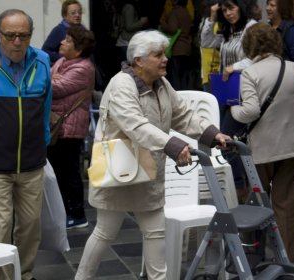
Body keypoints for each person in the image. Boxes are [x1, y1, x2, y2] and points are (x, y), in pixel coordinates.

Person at [74, 30, 230, 280]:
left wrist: (212, 134)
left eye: (164, 53)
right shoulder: (120, 85)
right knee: (105, 232)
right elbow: (136, 126)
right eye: (158, 55)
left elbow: (183, 114)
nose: (165, 59)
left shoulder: (161, 84)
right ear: (138, 61)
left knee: (156, 231)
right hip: (119, 170)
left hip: (148, 171)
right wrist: (174, 145)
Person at [230, 22, 294, 261]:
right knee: (286, 204)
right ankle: (287, 258)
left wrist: (234, 109)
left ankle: (254, 254)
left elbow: (249, 112)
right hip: (291, 147)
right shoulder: (291, 67)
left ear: (249, 46)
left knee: (258, 200)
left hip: (262, 149)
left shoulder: (250, 73)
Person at [0, 9, 52, 280]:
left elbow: (46, 107)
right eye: (10, 35)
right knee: (0, 226)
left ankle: (23, 274)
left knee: (30, 225)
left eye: (24, 36)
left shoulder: (42, 61)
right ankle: (2, 277)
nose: (17, 41)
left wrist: (44, 142)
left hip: (31, 162)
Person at [201, 0, 257, 201]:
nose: (228, 13)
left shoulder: (251, 27)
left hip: (244, 89)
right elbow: (206, 42)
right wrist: (212, 17)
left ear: (241, 7)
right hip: (227, 90)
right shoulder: (228, 30)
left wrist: (235, 66)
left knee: (226, 137)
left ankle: (242, 184)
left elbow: (259, 56)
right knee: (224, 138)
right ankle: (242, 182)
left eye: (231, 8)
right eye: (224, 10)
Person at [47, 26, 96, 229]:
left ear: (78, 48)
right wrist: (51, 77)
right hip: (59, 125)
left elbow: (55, 89)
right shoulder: (62, 61)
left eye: (67, 40)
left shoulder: (83, 68)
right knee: (59, 170)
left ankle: (77, 214)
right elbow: (51, 78)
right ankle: (65, 211)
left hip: (70, 127)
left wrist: (50, 79)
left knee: (69, 172)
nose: (62, 43)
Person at [266, 0, 294, 74]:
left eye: (272, 5)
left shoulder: (292, 30)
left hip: (289, 77)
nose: (267, 8)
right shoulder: (267, 28)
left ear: (281, 8)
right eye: (267, 4)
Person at [160, 0, 193, 90]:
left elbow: (172, 29)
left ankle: (178, 97)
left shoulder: (174, 12)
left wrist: (163, 24)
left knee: (175, 76)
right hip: (187, 48)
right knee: (184, 77)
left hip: (177, 48)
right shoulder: (187, 13)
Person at [42, 0, 84, 64]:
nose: (77, 15)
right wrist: (63, 59)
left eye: (79, 12)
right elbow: (45, 51)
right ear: (65, 15)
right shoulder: (59, 30)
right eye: (73, 13)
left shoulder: (84, 30)